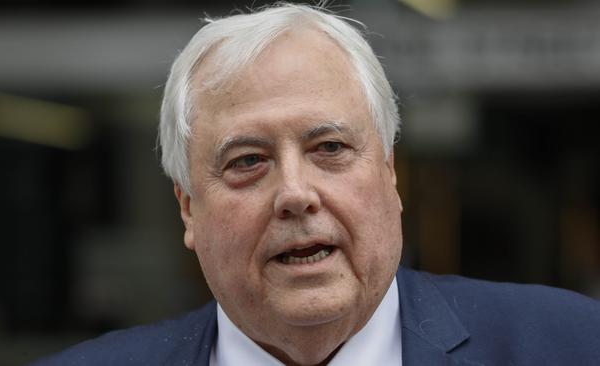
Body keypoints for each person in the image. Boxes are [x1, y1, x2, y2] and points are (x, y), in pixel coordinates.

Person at [31, 3, 600, 366]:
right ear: (187, 210)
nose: (295, 194)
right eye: (248, 161)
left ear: (390, 175)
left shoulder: (574, 346)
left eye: (329, 148)